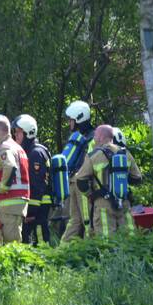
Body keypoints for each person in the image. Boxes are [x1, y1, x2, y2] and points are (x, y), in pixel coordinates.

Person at [75, 125, 142, 237]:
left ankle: (108, 255)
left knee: (106, 240)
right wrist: (120, 184)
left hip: (102, 204)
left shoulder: (93, 156)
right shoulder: (125, 153)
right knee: (129, 237)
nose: (94, 139)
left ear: (101, 137)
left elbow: (80, 180)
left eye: (95, 136)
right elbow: (137, 178)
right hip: (124, 202)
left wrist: (90, 195)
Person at [0, 118, 30, 245]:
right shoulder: (17, 147)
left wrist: (3, 186)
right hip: (15, 203)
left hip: (9, 202)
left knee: (11, 244)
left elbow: (10, 166)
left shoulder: (5, 148)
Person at [13, 114, 52, 245]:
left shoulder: (35, 153)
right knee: (29, 240)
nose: (16, 135)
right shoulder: (30, 151)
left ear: (28, 133)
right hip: (35, 205)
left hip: (39, 206)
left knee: (40, 240)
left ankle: (45, 263)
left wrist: (31, 211)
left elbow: (37, 185)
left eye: (18, 132)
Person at [59, 100, 94, 241]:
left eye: (71, 120)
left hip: (77, 182)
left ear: (79, 119)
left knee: (80, 220)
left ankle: (67, 249)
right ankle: (84, 249)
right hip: (79, 183)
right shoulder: (91, 137)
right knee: (81, 219)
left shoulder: (84, 138)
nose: (69, 123)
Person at [112, 127, 143, 231]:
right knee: (128, 227)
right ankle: (131, 245)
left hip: (103, 199)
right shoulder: (127, 154)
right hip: (123, 196)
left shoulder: (100, 153)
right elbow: (138, 178)